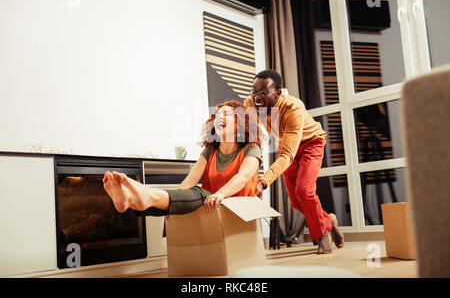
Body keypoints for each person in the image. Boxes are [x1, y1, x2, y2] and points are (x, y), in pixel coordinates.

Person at [243, 69, 344, 254]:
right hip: (287, 145)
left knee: (304, 191)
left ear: (278, 93)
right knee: (296, 202)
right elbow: (248, 136)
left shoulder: (292, 108)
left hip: (310, 143)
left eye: (263, 92)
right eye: (254, 91)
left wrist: (263, 181)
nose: (257, 97)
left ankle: (322, 234)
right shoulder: (250, 103)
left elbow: (287, 156)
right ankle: (329, 221)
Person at [103, 100, 262, 216]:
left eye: (226, 114)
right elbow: (190, 181)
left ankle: (147, 195)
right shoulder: (210, 150)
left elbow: (244, 176)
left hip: (237, 207)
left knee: (199, 193)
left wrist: (220, 194)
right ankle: (130, 201)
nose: (219, 117)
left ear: (240, 122)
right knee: (184, 196)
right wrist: (172, 200)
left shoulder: (251, 148)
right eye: (217, 115)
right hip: (212, 206)